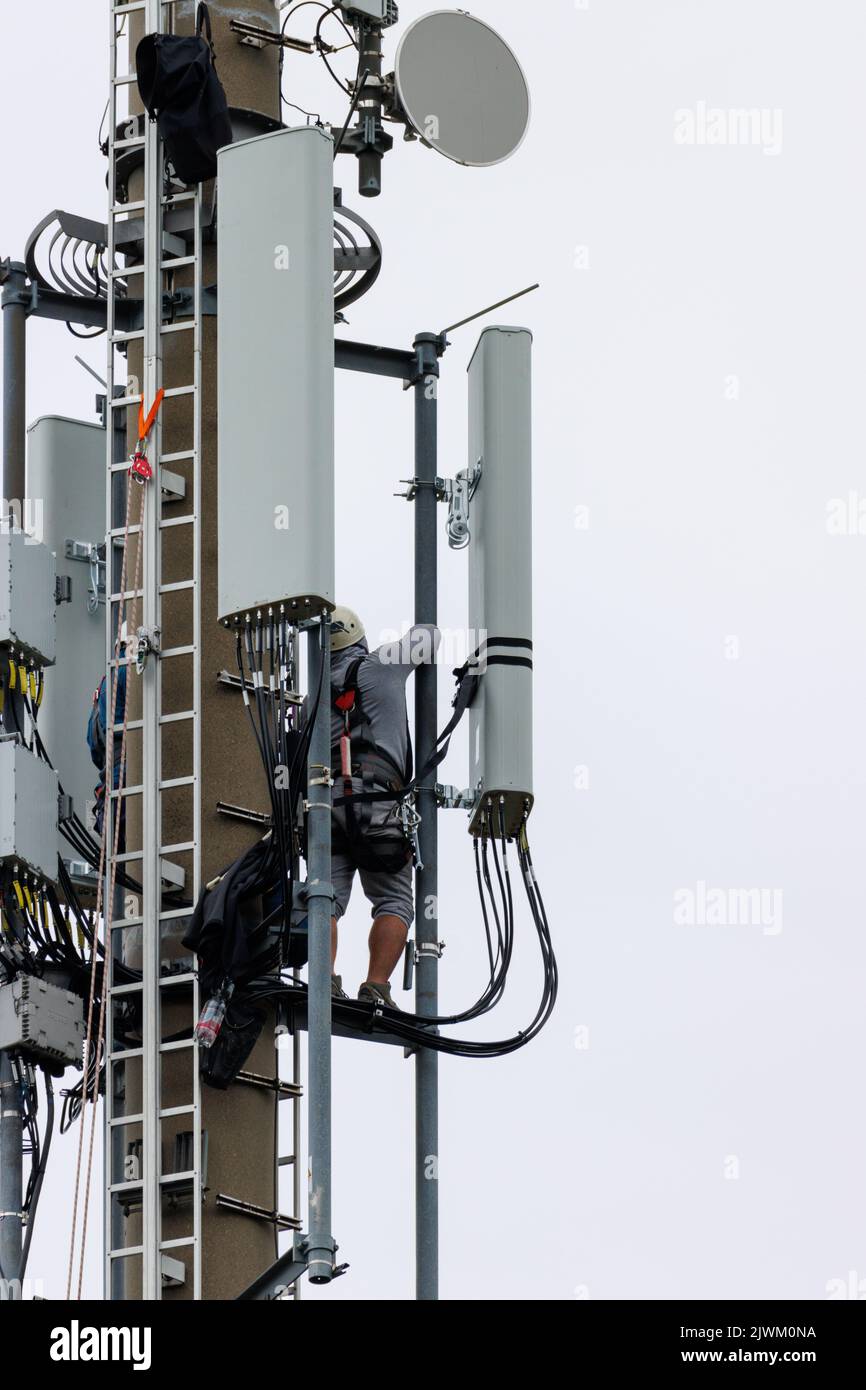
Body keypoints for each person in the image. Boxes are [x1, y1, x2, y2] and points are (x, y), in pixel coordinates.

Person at [322, 607, 439, 1010]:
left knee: (326, 897)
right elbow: (428, 640)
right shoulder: (378, 667)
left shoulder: (312, 697)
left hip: (328, 807)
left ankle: (325, 980)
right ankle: (375, 986)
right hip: (379, 804)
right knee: (393, 901)